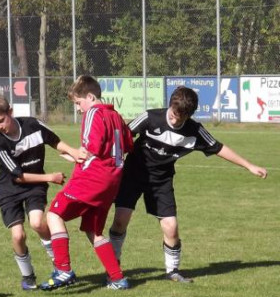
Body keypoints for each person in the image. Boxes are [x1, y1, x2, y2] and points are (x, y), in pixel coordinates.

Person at [109, 86, 267, 282]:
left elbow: (218, 147)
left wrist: (249, 165)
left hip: (161, 181)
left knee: (171, 227)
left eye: (181, 118)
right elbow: (121, 137)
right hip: (132, 175)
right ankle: (113, 267)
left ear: (189, 115)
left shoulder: (195, 130)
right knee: (120, 220)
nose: (175, 120)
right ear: (170, 106)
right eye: (174, 115)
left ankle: (172, 271)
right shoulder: (150, 117)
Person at [39, 75, 134, 291]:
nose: (79, 109)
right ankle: (117, 278)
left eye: (78, 103)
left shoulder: (94, 112)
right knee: (94, 230)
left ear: (90, 97)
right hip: (112, 180)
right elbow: (128, 144)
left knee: (54, 213)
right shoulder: (116, 115)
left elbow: (92, 148)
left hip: (92, 178)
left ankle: (63, 269)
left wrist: (74, 155)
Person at [0, 94, 83, 291]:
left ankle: (60, 266)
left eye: (1, 121)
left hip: (34, 187)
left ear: (10, 112)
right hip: (9, 190)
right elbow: (18, 176)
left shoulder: (33, 125)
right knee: (18, 236)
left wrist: (74, 152)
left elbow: (54, 141)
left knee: (37, 222)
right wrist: (50, 178)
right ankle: (28, 276)